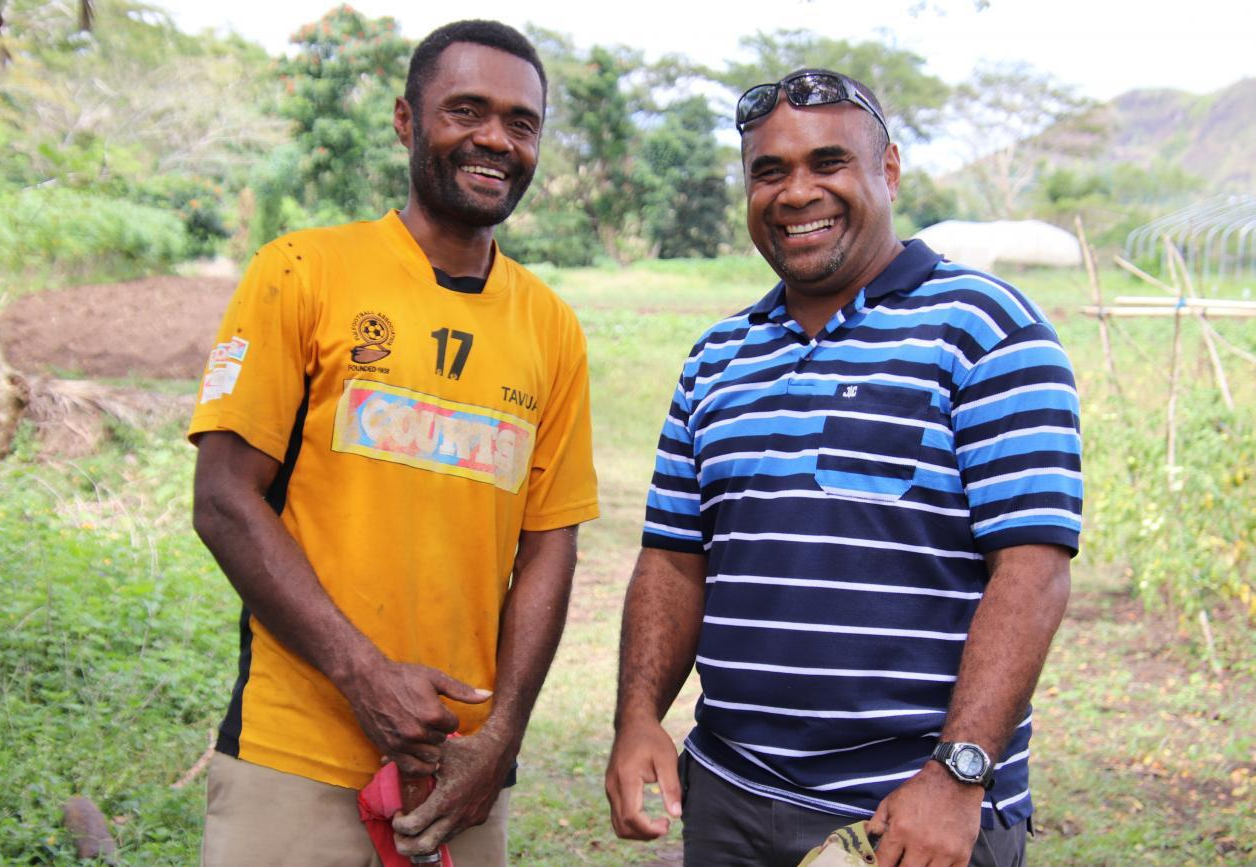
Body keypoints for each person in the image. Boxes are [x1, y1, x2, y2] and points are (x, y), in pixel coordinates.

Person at [605, 68, 1082, 867]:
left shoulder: (986, 328)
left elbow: (1030, 572)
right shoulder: (718, 356)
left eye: (828, 163)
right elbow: (673, 559)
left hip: (905, 815)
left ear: (887, 171)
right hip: (727, 799)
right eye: (769, 171)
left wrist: (958, 776)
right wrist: (638, 715)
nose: (796, 193)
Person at [189, 19, 598, 866]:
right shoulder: (302, 272)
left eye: (521, 122)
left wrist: (502, 740)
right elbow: (224, 499)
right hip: (293, 759)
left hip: (462, 775)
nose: (495, 138)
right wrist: (365, 675)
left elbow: (550, 546)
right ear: (407, 121)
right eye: (466, 110)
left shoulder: (551, 328)